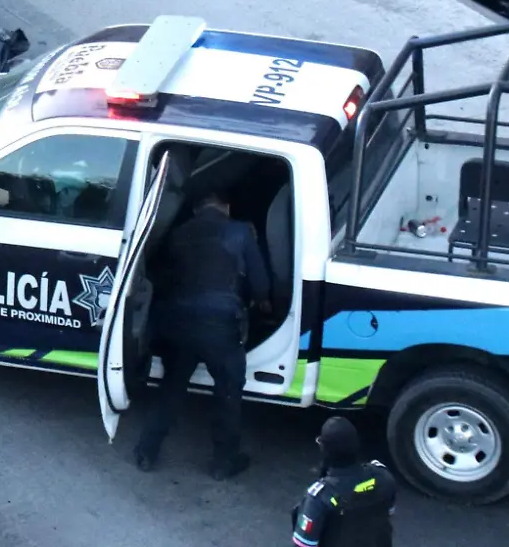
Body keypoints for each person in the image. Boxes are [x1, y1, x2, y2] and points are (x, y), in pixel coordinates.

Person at [131, 182, 272, 479]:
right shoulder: (241, 232)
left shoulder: (178, 234)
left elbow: (164, 279)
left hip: (177, 322)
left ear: (195, 209)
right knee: (228, 393)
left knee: (171, 388)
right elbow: (260, 285)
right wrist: (261, 303)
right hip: (220, 326)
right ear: (227, 206)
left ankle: (146, 452)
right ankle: (223, 462)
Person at [292, 417, 397, 546]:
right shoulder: (384, 477)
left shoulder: (319, 499)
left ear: (324, 449)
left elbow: (304, 544)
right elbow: (388, 514)